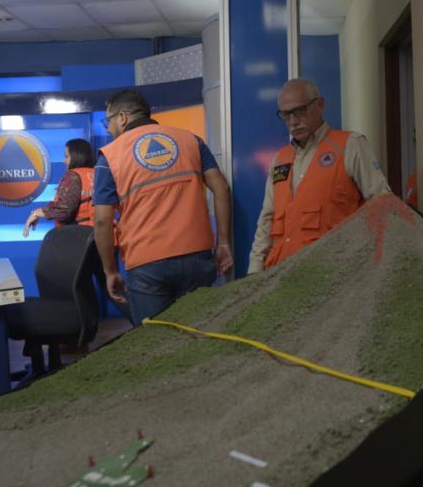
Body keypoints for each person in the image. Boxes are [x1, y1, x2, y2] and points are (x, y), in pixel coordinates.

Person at [93, 89, 233, 327]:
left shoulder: (110, 157)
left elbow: (102, 220)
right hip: (197, 258)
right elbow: (221, 188)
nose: (108, 128)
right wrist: (223, 243)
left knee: (155, 342)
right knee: (201, 333)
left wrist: (110, 271)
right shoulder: (191, 140)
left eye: (109, 121)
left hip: (147, 264)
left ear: (123, 118)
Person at [248, 78, 390, 273]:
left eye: (299, 111)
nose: (293, 122)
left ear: (320, 104)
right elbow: (267, 218)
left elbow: (382, 204)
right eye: (286, 115)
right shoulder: (280, 159)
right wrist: (254, 270)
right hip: (280, 274)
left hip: (331, 274)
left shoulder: (350, 146)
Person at [23, 138, 97, 237]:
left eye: (66, 156)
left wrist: (36, 213)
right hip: (102, 236)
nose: (64, 161)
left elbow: (65, 209)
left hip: (80, 237)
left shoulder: (72, 176)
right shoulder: (98, 174)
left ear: (76, 156)